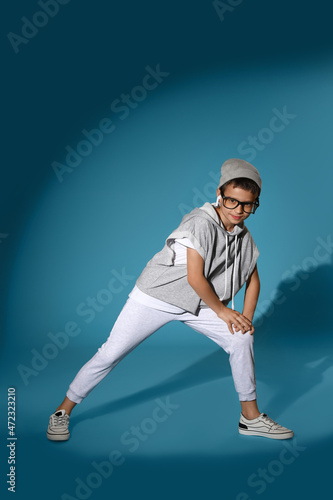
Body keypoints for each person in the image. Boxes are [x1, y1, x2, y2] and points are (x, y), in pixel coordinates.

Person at [47, 158, 294, 441]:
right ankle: (62, 411)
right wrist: (224, 312)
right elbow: (195, 277)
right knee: (110, 353)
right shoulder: (200, 222)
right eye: (232, 201)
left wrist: (245, 319)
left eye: (247, 204)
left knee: (241, 339)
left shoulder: (243, 236)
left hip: (200, 303)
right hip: (158, 296)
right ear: (219, 194)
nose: (239, 210)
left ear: (255, 204)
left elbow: (253, 280)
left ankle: (250, 418)